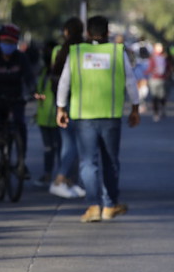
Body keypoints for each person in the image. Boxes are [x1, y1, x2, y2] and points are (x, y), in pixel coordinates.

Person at [55, 15, 140, 223]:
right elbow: (130, 82)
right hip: (110, 116)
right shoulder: (117, 52)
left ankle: (93, 206)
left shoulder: (76, 52)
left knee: (87, 163)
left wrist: (60, 108)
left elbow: (64, 82)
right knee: (110, 161)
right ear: (107, 32)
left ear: (87, 33)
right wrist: (135, 108)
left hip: (84, 117)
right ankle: (110, 205)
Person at [0, 23, 35, 176]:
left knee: (20, 125)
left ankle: (22, 162)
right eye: (5, 42)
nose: (8, 45)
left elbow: (29, 77)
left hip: (15, 98)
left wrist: (34, 91)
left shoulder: (21, 58)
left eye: (11, 42)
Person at [48, 18, 85, 199]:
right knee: (74, 143)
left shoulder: (62, 50)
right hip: (77, 101)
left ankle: (69, 180)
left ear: (67, 32)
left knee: (68, 142)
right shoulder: (83, 49)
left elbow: (55, 77)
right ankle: (61, 178)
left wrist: (59, 104)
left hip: (64, 101)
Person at [34, 40, 60, 187]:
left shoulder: (62, 74)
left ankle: (63, 176)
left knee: (61, 149)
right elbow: (38, 89)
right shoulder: (44, 72)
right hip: (44, 117)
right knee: (48, 148)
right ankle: (48, 174)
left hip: (58, 117)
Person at [146, 42, 171, 121]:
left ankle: (162, 108)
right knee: (154, 97)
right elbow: (149, 68)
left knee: (162, 96)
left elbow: (169, 67)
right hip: (154, 79)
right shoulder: (152, 57)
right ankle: (156, 112)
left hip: (163, 79)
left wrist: (167, 74)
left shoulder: (165, 57)